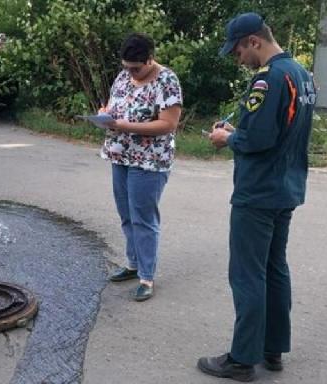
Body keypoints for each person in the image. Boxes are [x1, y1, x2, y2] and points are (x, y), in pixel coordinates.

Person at [197, 13, 317, 381]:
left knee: (248, 274)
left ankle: (242, 359)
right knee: (274, 269)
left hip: (259, 191)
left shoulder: (269, 78)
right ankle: (273, 349)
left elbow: (259, 139)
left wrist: (227, 138)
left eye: (237, 50)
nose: (238, 58)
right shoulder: (301, 74)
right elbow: (277, 129)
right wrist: (239, 130)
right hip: (286, 187)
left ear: (253, 41)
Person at [101, 32, 182, 301]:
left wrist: (125, 125)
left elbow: (168, 124)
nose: (131, 73)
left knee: (143, 220)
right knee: (126, 215)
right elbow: (115, 105)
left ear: (149, 60)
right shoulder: (124, 76)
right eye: (126, 68)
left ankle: (147, 277)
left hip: (149, 161)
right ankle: (133, 264)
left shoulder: (167, 80)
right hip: (120, 155)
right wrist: (105, 114)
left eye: (136, 68)